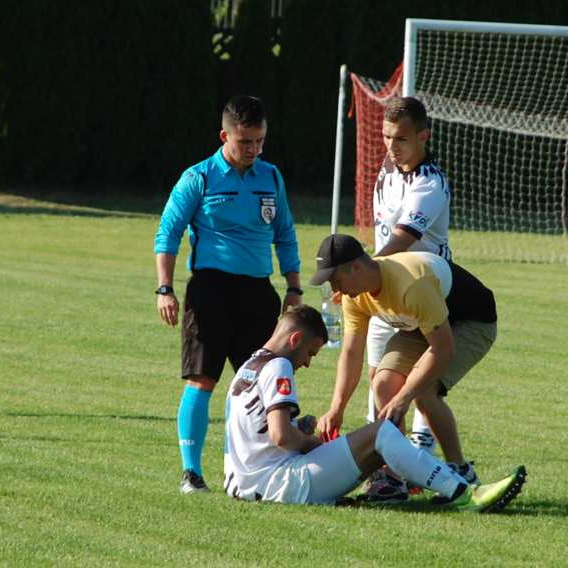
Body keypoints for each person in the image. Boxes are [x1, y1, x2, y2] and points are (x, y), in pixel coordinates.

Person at [223, 305, 525, 511]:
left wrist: (299, 429)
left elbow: (260, 434)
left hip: (245, 485)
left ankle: (401, 487)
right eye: (310, 352)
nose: (307, 362)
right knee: (381, 432)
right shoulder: (279, 365)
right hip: (278, 485)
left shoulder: (249, 366)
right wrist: (309, 441)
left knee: (372, 445)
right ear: (295, 339)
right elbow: (281, 437)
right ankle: (464, 493)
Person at [154, 95, 302, 493]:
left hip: (258, 292)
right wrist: (165, 288)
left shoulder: (270, 177)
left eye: (259, 141)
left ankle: (245, 467)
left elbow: (285, 234)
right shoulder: (198, 177)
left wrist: (293, 286)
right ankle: (191, 472)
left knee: (258, 383)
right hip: (210, 291)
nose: (253, 150)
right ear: (225, 136)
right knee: (201, 380)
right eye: (245, 142)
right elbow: (167, 233)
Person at [313, 234, 498, 502]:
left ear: (355, 267)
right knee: (383, 384)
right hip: (421, 322)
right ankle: (393, 480)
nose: (334, 288)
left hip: (471, 322)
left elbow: (444, 349)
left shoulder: (411, 284)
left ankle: (462, 472)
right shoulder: (354, 295)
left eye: (335, 279)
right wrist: (336, 408)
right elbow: (351, 352)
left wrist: (404, 398)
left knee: (424, 391)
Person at [363, 96, 455, 498]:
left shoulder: (429, 182)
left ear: (424, 136)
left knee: (417, 391)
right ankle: (391, 474)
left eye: (400, 138)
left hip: (421, 297)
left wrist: (361, 270)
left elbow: (404, 238)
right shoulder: (388, 168)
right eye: (386, 136)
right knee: (377, 383)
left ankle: (443, 466)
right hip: (384, 295)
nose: (390, 145)